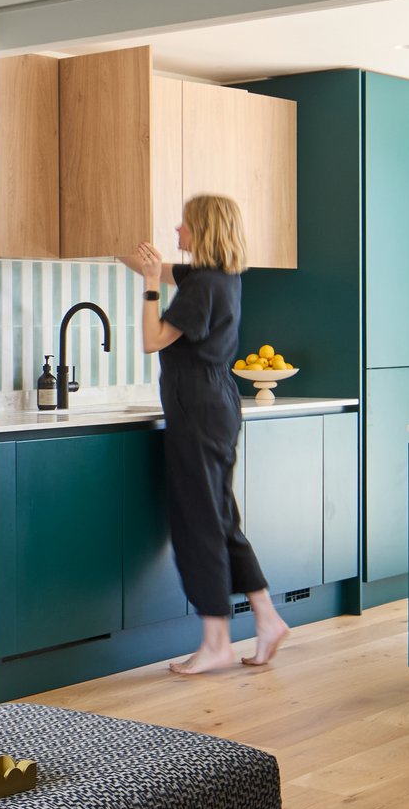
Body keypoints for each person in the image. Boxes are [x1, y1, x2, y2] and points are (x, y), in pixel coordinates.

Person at [122, 194, 291, 673]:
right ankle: (266, 617)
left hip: (198, 408)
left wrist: (151, 287)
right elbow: (162, 267)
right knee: (218, 515)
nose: (177, 230)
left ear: (202, 230)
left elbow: (152, 340)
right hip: (214, 403)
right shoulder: (219, 277)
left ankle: (216, 638)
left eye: (184, 224)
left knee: (200, 521)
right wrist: (116, 238)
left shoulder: (202, 288)